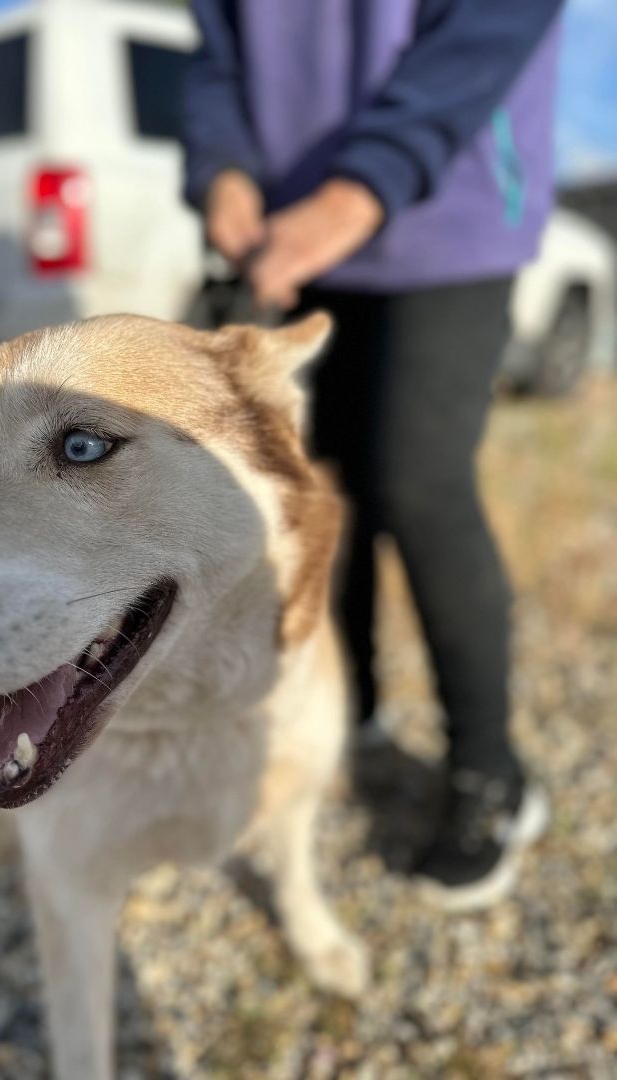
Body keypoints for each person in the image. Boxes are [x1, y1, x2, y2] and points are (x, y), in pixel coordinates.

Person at [181, 0, 564, 908]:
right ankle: (356, 713)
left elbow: (495, 23)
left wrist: (362, 187)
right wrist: (222, 169)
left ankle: (492, 771)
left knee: (418, 481)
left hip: (450, 211)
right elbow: (215, 53)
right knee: (319, 489)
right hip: (291, 237)